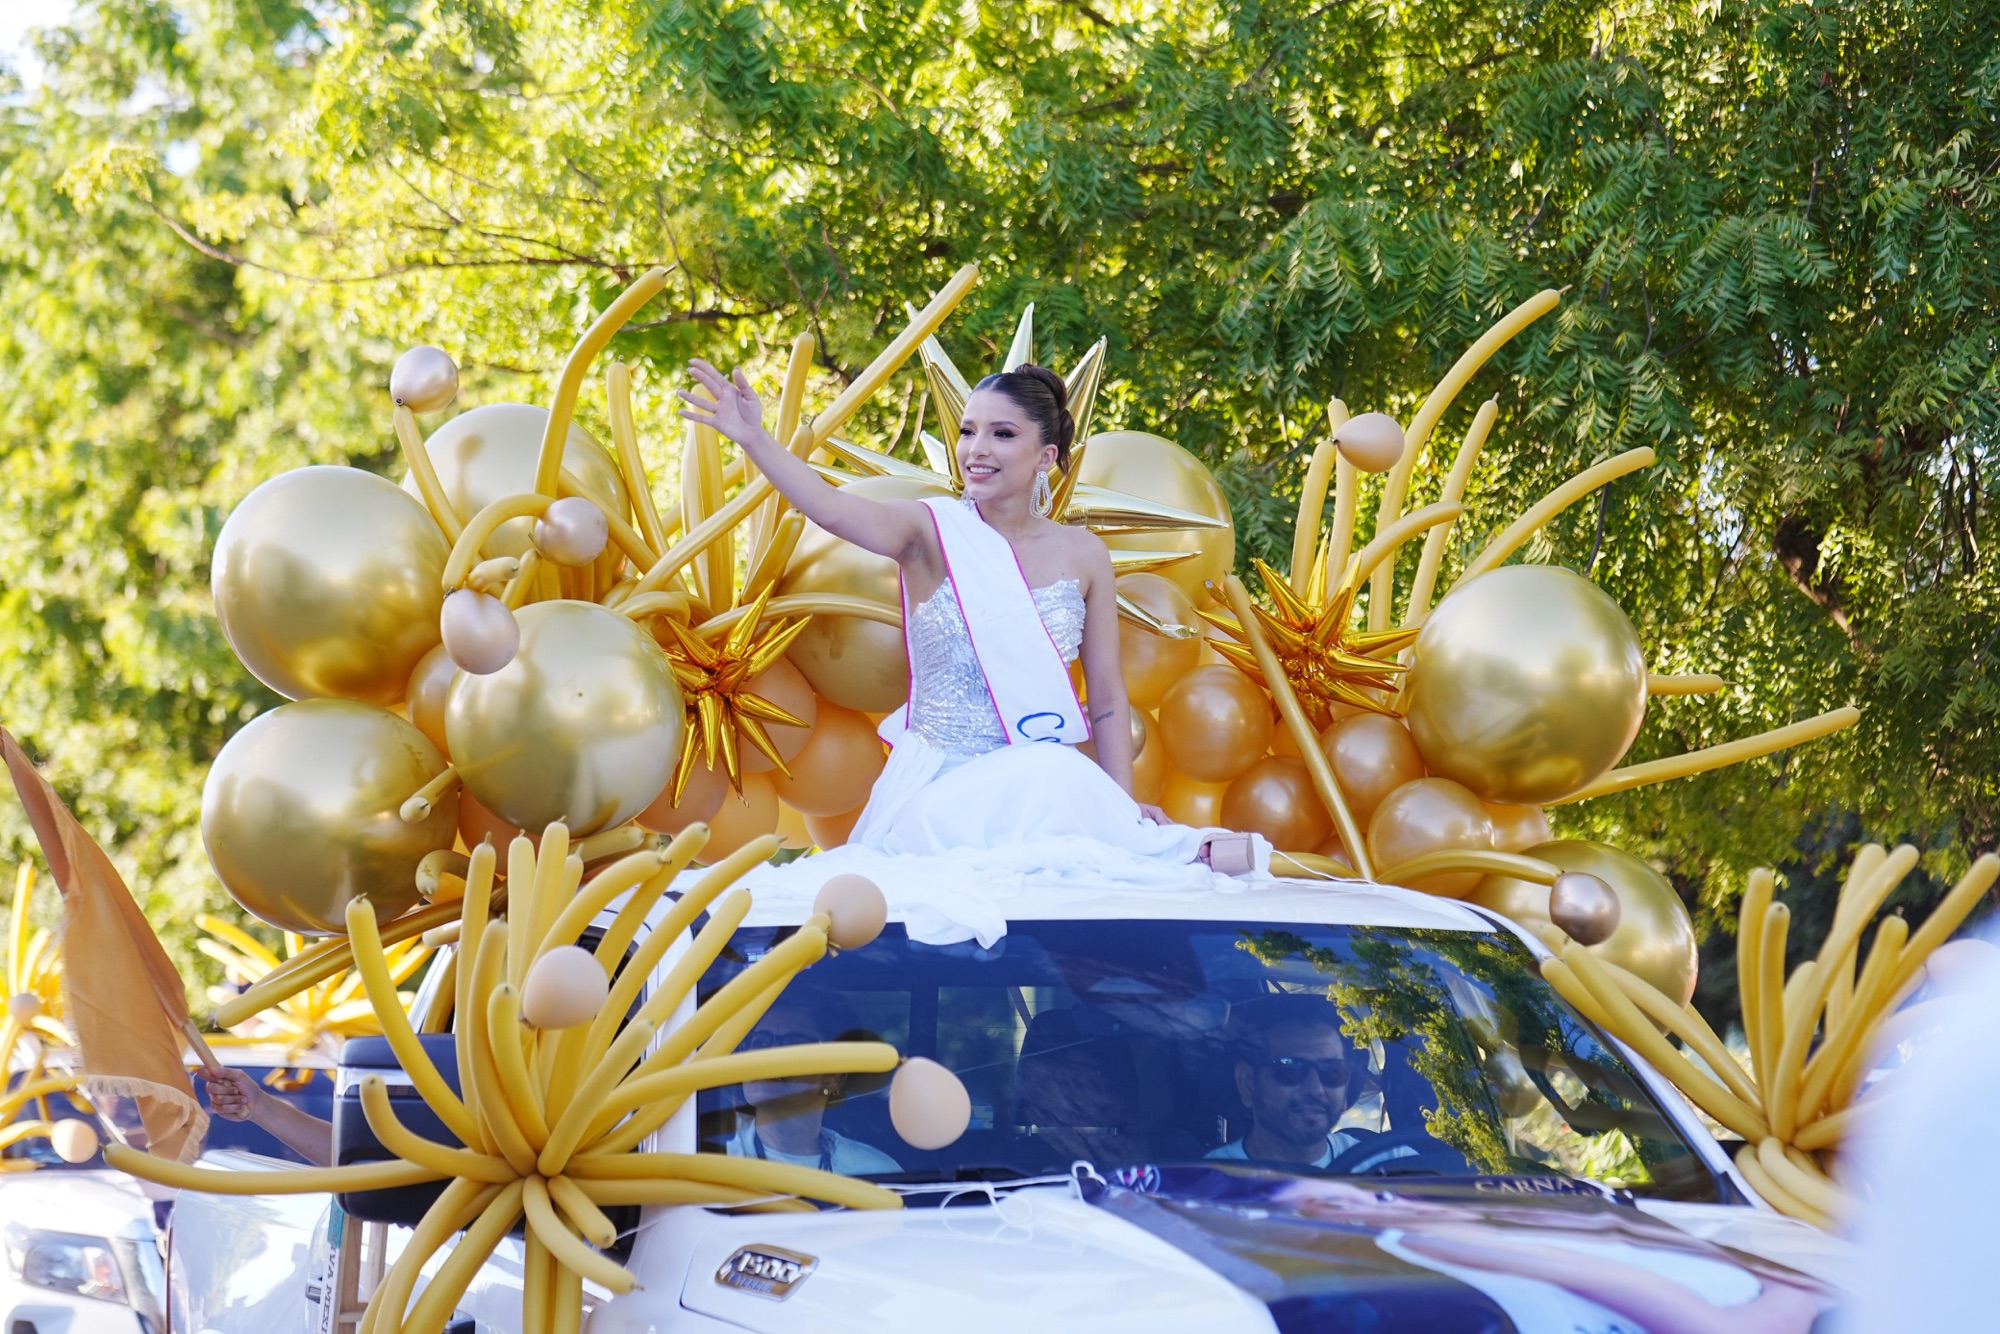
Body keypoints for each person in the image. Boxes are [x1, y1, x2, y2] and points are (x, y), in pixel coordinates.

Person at [677, 358, 1264, 893]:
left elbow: (1107, 698)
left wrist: (1118, 808)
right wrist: (754, 439)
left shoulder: (1084, 554)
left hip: (1041, 788)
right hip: (940, 790)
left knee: (1128, 833)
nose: (976, 449)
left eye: (1002, 434)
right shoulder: (929, 531)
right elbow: (830, 508)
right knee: (1055, 777)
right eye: (968, 431)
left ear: (1046, 457)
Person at [1207, 995, 1409, 1171]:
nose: (1315, 1089)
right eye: (1290, 1070)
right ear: (1248, 1083)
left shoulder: (1396, 1166)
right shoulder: (1207, 1183)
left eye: (1332, 1072)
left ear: (1347, 1086)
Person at [722, 993, 901, 1175]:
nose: (768, 1056)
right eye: (760, 1041)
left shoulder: (874, 1171)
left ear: (833, 1077)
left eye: (792, 1045)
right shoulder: (713, 1150)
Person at [196, 1064, 334, 1166]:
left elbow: (342, 1155)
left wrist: (258, 1105)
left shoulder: (325, 1181)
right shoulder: (190, 1175)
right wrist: (257, 1105)